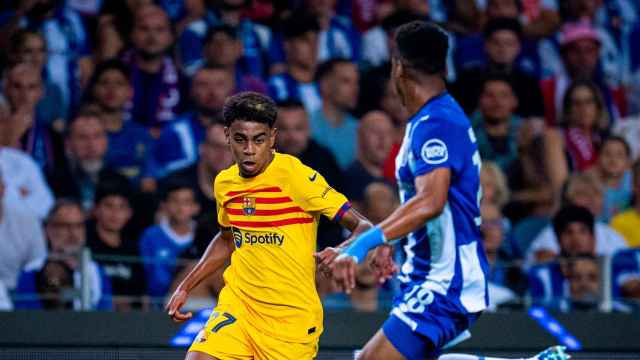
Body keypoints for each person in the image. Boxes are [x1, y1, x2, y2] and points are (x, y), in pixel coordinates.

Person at [319, 21, 567, 360]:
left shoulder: (437, 123)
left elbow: (431, 202)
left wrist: (364, 244)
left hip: (445, 277)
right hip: (427, 271)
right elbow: (426, 204)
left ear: (398, 67)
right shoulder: (430, 119)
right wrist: (377, 241)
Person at [165, 92, 373, 360]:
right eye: (241, 139)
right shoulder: (225, 183)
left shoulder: (298, 178)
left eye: (258, 140)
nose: (249, 149)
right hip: (239, 306)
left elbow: (364, 226)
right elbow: (227, 239)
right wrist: (186, 286)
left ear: (272, 138)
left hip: (290, 320)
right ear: (228, 136)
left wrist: (342, 250)